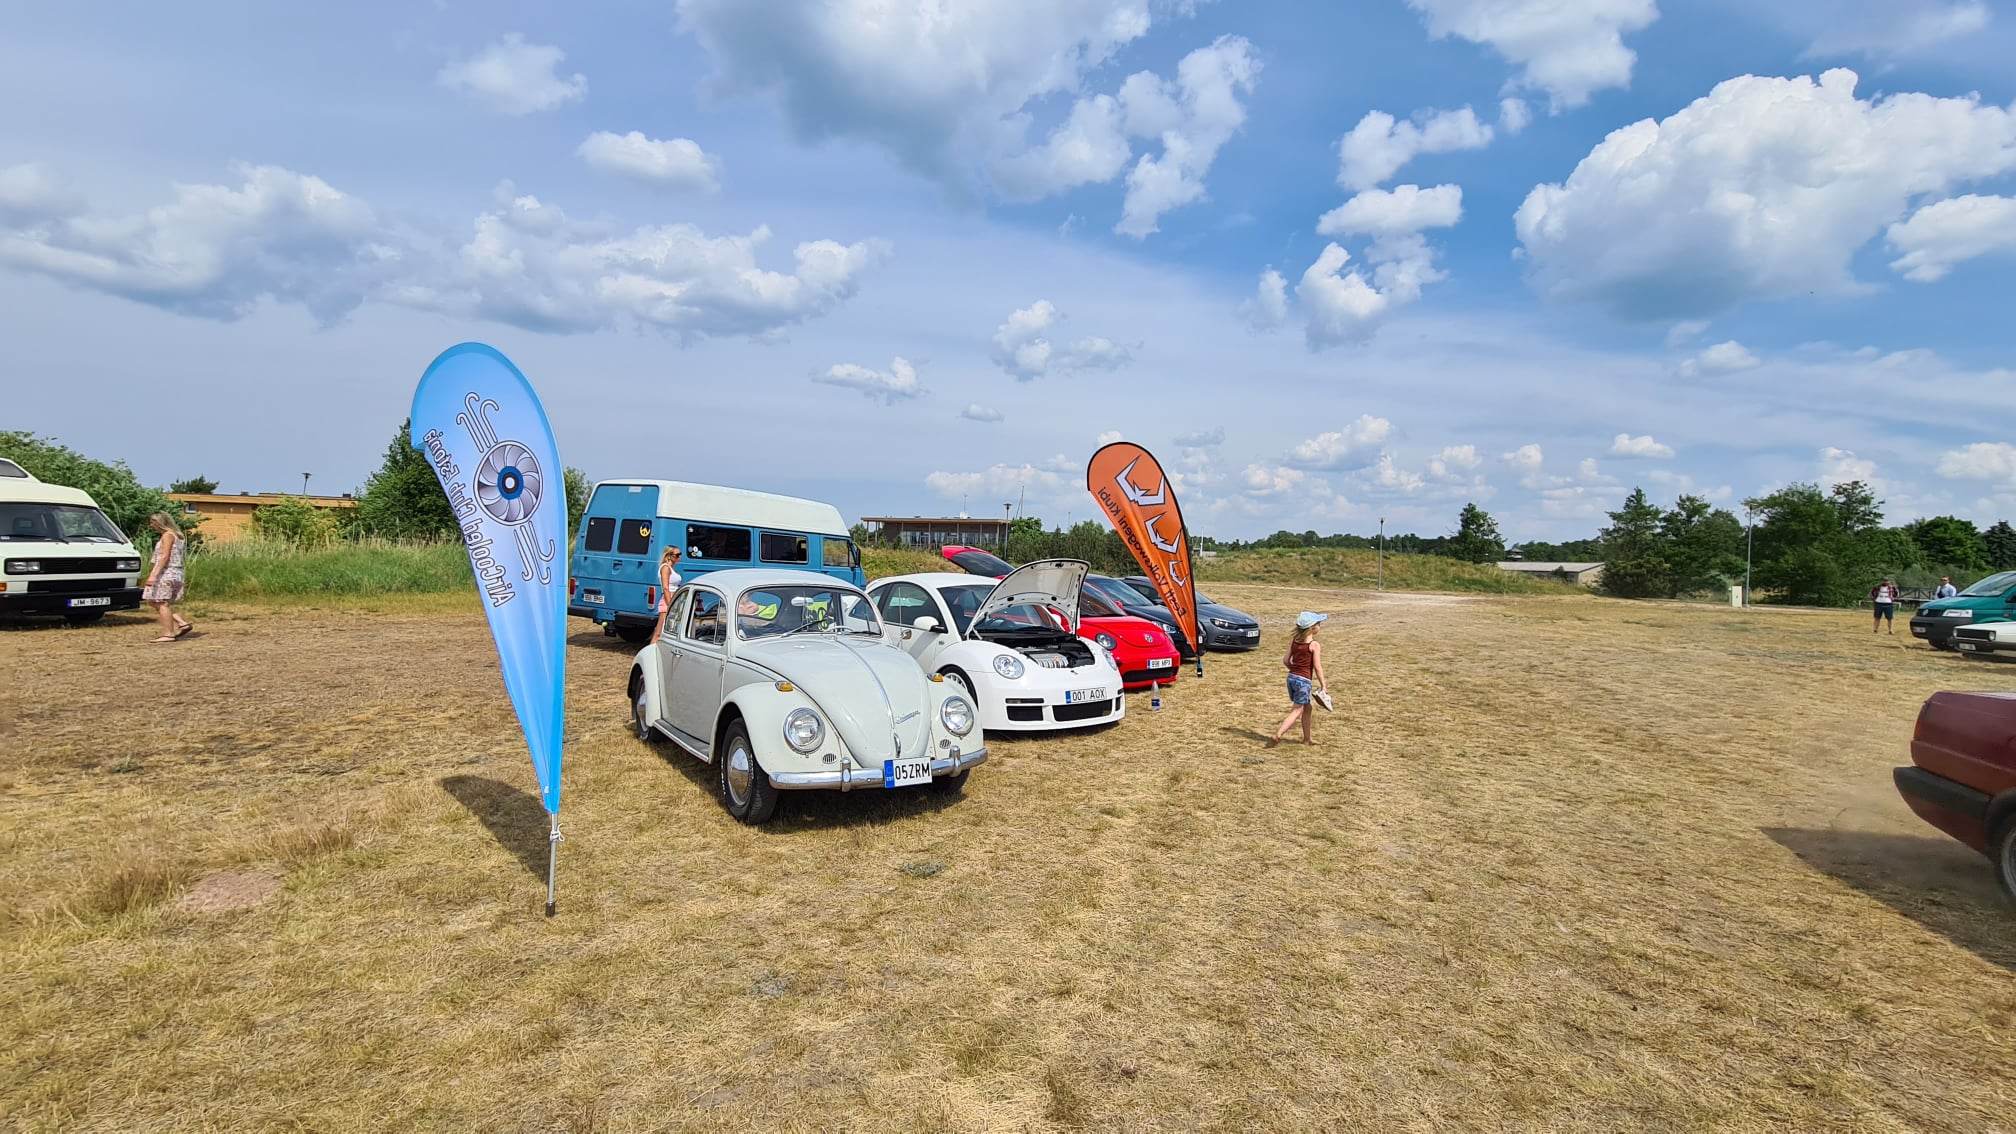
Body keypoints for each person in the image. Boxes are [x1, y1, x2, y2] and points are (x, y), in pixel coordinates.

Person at [1267, 611, 1329, 748]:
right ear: (1312, 628)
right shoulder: (1314, 645)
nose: (1320, 626)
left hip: (1291, 678)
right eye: (1319, 624)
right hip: (1303, 681)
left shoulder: (1294, 641)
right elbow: (1317, 667)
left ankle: (1307, 739)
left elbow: (1285, 660)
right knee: (1297, 710)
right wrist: (1323, 685)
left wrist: (1294, 670)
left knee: (1307, 707)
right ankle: (1278, 734)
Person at [142, 512, 193, 643]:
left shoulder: (167, 535)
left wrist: (153, 575)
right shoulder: (177, 536)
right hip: (175, 572)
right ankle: (181, 623)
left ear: (160, 523)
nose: (151, 525)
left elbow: (165, 556)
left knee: (160, 602)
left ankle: (168, 634)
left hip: (167, 572)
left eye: (153, 522)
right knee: (153, 600)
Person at [652, 546, 683, 640]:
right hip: (668, 601)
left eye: (680, 554)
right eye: (677, 555)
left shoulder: (671, 568)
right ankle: (651, 648)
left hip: (674, 600)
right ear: (669, 556)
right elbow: (665, 588)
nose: (679, 557)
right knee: (659, 632)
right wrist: (670, 605)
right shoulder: (665, 568)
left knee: (668, 632)